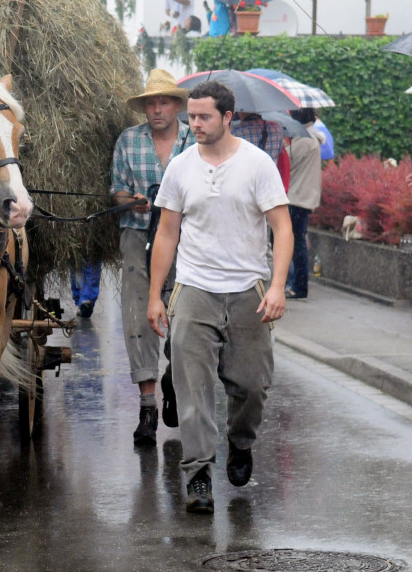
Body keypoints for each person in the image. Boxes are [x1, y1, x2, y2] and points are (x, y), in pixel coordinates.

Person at [147, 80, 292, 515]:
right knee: (194, 387)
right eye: (191, 116)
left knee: (251, 386)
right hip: (194, 290)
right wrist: (155, 295)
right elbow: (166, 232)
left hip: (248, 291)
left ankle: (240, 442)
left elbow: (282, 228)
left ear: (228, 117)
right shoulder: (181, 167)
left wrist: (279, 286)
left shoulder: (257, 165)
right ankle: (198, 473)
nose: (195, 124)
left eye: (204, 116)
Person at [110, 69, 194, 446]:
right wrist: (136, 203)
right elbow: (117, 192)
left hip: (187, 240)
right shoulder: (128, 141)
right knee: (138, 313)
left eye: (164, 102)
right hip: (137, 236)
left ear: (176, 105)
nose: (157, 109)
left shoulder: (194, 140)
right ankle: (147, 407)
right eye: (151, 104)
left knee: (186, 313)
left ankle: (175, 377)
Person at [285, 109, 322, 300]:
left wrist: (285, 145)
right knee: (296, 241)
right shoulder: (311, 138)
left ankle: (298, 286)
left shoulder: (305, 140)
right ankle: (296, 284)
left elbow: (287, 161)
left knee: (293, 243)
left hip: (297, 198)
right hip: (303, 198)